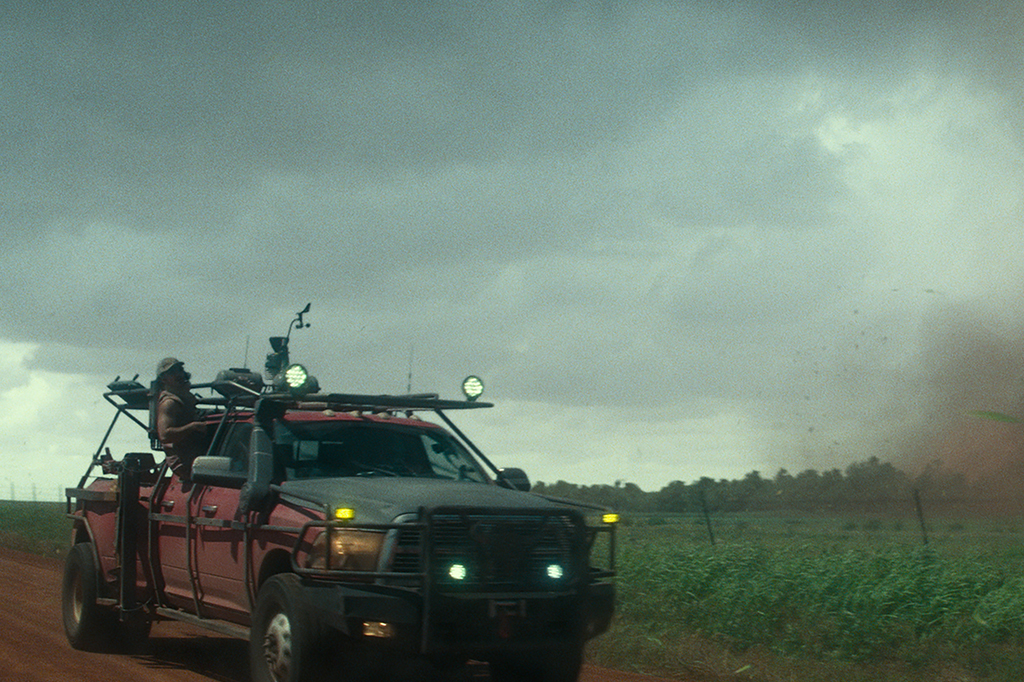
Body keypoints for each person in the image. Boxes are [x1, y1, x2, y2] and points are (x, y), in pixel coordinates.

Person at [155, 357, 208, 479]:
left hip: (196, 457)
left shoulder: (184, 396)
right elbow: (165, 435)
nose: (179, 375)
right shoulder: (170, 402)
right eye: (172, 373)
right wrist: (193, 426)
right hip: (184, 463)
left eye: (180, 370)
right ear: (163, 379)